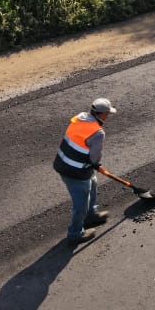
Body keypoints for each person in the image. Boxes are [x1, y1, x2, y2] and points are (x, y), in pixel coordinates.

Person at [53, 98, 115, 247]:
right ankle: (75, 234)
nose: (107, 116)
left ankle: (90, 215)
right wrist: (95, 164)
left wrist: (92, 165)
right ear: (102, 115)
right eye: (107, 114)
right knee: (81, 202)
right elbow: (94, 156)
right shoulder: (98, 133)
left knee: (92, 182)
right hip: (75, 171)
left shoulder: (79, 119)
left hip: (62, 162)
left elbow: (79, 142)